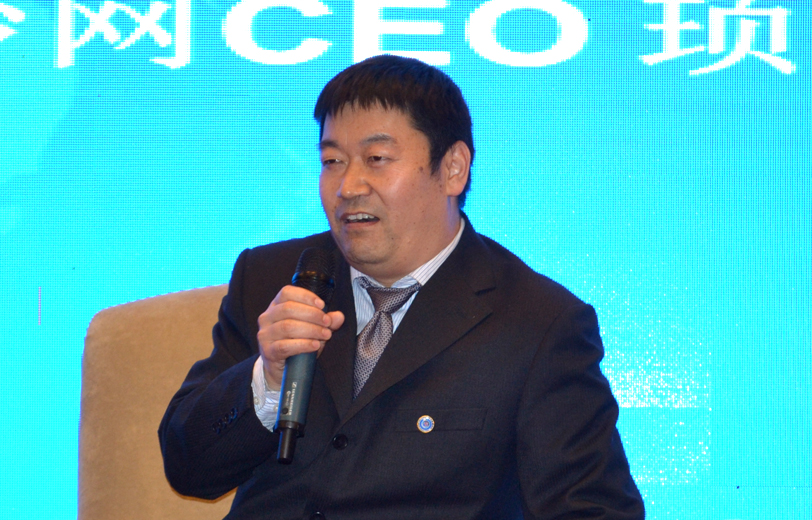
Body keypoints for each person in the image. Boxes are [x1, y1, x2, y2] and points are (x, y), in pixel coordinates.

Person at [159, 55, 644, 520]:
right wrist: (266, 379)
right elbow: (188, 470)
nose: (349, 186)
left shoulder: (537, 323)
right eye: (332, 160)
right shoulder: (272, 278)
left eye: (376, 158)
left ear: (452, 169)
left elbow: (592, 510)